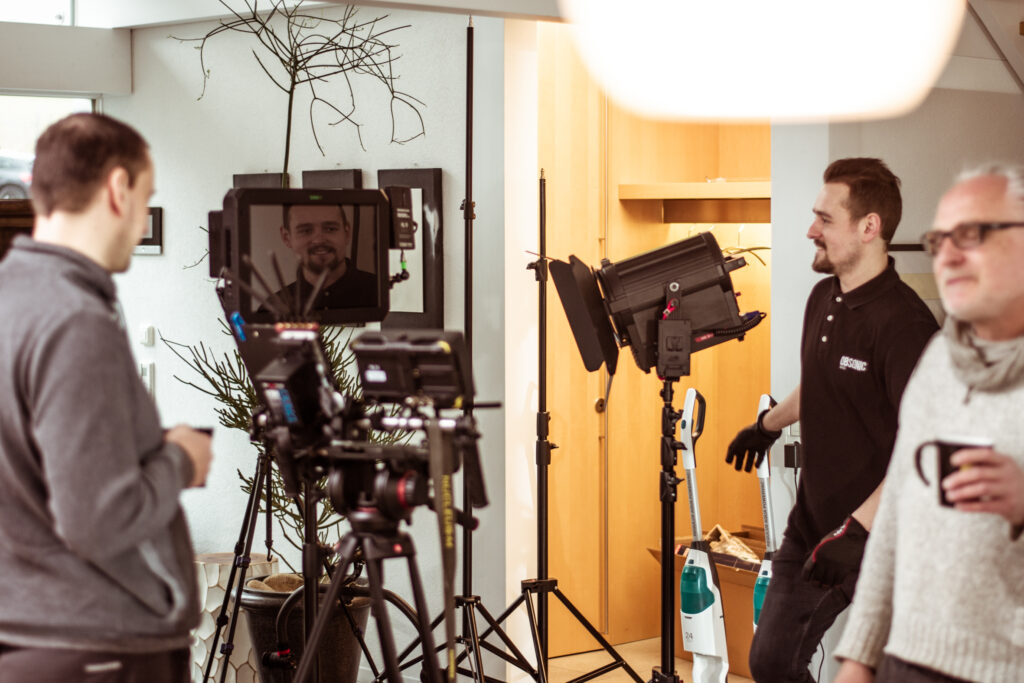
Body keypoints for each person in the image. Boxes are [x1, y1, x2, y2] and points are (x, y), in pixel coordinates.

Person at [0, 113, 213, 682]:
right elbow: (96, 518)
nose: (143, 222)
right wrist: (181, 459)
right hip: (99, 648)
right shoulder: (75, 322)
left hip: (31, 636)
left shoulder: (11, 299)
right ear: (118, 188)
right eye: (147, 199)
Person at [725, 157, 939, 682]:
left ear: (869, 227)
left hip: (883, 538)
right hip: (814, 526)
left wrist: (859, 530)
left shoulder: (905, 326)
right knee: (772, 662)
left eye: (825, 219)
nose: (810, 231)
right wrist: (768, 425)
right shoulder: (824, 296)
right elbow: (822, 379)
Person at [833, 164, 1024, 683]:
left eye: (973, 234)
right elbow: (897, 516)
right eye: (940, 240)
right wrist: (859, 655)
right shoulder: (939, 358)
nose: (949, 255)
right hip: (907, 660)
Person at [266, 202, 378, 314]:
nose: (319, 240)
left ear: (347, 233)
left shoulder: (382, 294)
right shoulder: (271, 309)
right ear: (286, 237)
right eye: (306, 231)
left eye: (330, 229)